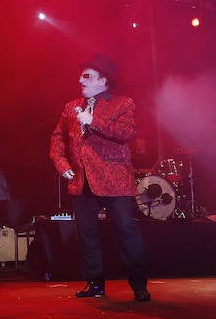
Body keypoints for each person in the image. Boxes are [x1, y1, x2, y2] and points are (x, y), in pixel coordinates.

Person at [49, 54, 151, 302]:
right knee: (86, 233)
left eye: (87, 76)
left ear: (103, 81)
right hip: (82, 180)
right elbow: (57, 139)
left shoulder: (123, 103)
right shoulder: (71, 106)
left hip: (114, 179)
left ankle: (139, 284)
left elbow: (126, 132)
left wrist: (93, 120)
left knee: (127, 230)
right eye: (81, 76)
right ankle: (94, 283)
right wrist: (62, 165)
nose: (80, 80)